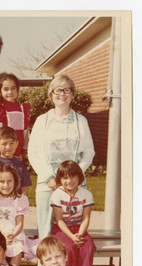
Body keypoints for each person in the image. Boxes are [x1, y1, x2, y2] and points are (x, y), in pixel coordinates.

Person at [28, 75, 95, 242]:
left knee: (73, 229)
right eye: (58, 90)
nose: (62, 94)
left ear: (72, 94)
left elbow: (89, 152)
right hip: (48, 181)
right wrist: (49, 178)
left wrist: (74, 178)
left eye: (66, 90)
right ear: (51, 94)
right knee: (46, 229)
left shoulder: (81, 121)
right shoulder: (42, 120)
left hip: (75, 182)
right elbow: (33, 152)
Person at [0, 164, 39, 266]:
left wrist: (13, 235)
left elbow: (19, 223)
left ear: (15, 182)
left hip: (14, 233)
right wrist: (3, 236)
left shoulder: (20, 200)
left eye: (9, 181)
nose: (6, 185)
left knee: (18, 248)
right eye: (2, 182)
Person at [51, 160, 96, 266]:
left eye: (72, 177)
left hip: (79, 229)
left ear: (79, 177)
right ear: (60, 179)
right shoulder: (57, 194)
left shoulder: (86, 194)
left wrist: (80, 235)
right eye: (65, 178)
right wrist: (72, 237)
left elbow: (86, 218)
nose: (69, 181)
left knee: (88, 246)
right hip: (62, 229)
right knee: (68, 248)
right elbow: (59, 220)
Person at [0, 126, 31, 196]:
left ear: (16, 144)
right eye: (4, 144)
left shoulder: (21, 166)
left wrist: (19, 204)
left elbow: (24, 191)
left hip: (15, 204)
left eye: (11, 143)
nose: (8, 147)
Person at [0, 73, 31, 161]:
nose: (10, 92)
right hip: (4, 154)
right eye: (6, 89)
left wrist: (22, 152)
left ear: (17, 89)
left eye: (13, 88)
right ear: (0, 91)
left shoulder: (23, 109)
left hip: (19, 155)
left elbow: (25, 133)